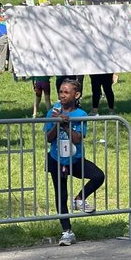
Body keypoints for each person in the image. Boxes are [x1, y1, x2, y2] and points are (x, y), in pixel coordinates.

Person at [45, 79, 105, 246]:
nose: (62, 95)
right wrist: (58, 123)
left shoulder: (81, 115)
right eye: (61, 92)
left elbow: (78, 139)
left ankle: (79, 198)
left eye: (66, 92)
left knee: (98, 176)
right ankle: (67, 231)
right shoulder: (52, 112)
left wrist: (66, 124)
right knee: (60, 195)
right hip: (57, 159)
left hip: (75, 159)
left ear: (76, 95)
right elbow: (48, 138)